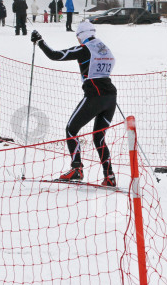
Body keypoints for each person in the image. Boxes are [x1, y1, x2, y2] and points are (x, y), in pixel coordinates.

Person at [30, 21, 117, 186]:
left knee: (71, 129)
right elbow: (110, 64)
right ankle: (109, 176)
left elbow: (55, 55)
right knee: (99, 137)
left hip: (95, 95)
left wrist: (40, 41)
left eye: (78, 37)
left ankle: (76, 169)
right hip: (111, 96)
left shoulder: (84, 49)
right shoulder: (104, 47)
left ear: (80, 36)